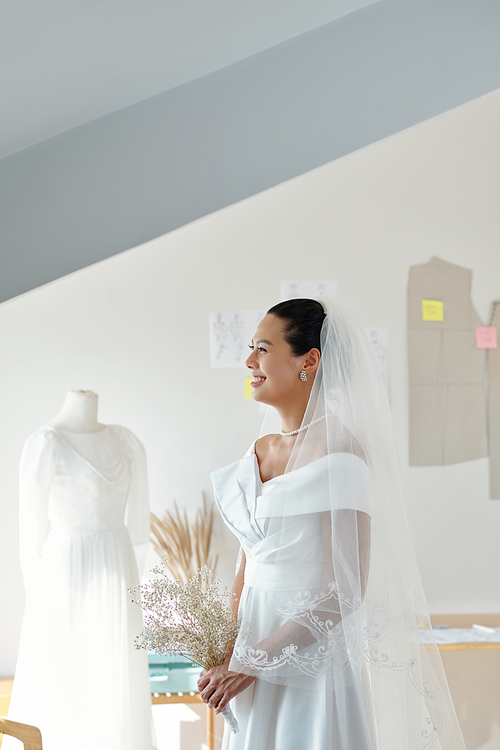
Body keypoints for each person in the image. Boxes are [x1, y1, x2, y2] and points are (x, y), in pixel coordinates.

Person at [198, 297, 466, 750]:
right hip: (248, 658)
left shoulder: (341, 451)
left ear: (310, 360)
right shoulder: (257, 449)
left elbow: (345, 590)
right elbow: (245, 571)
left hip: (309, 661)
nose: (249, 362)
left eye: (262, 349)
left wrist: (255, 660)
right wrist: (223, 653)